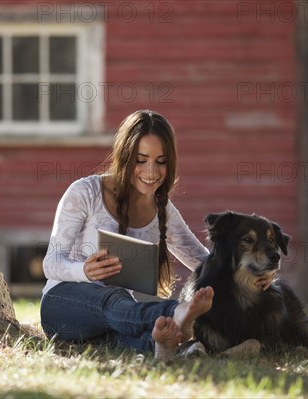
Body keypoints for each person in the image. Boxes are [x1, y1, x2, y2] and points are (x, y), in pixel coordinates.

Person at [40, 110, 269, 360]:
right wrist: (83, 272)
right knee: (112, 300)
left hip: (117, 320)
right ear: (124, 156)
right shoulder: (85, 192)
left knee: (129, 336)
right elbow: (51, 263)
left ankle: (177, 350)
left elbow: (204, 262)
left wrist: (251, 275)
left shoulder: (163, 211)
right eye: (141, 160)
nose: (151, 171)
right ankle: (176, 312)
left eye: (161, 161)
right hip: (62, 305)